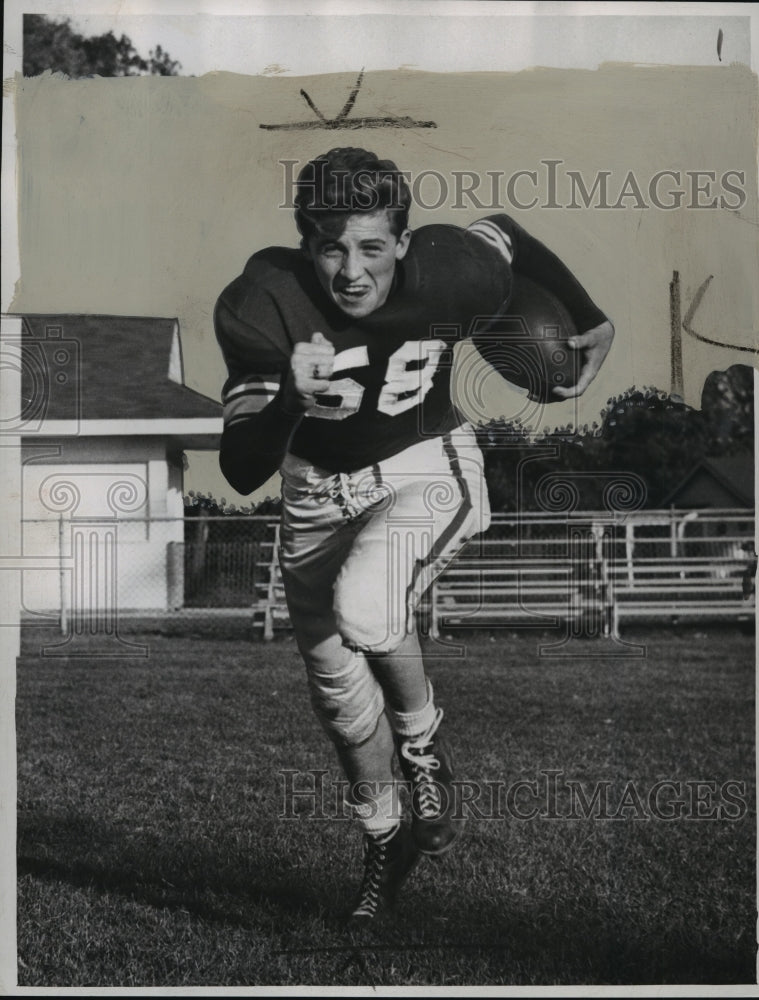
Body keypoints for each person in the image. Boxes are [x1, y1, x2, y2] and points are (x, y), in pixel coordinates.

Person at [214, 148, 614, 925]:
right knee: (336, 693)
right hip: (314, 487)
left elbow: (504, 233)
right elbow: (237, 471)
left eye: (371, 246)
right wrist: (287, 402)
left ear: (403, 241)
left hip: (421, 462)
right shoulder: (263, 302)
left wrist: (587, 313)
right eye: (331, 248)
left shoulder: (451, 269)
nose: (352, 272)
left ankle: (424, 749)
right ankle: (383, 840)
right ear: (304, 243)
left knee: (367, 608)